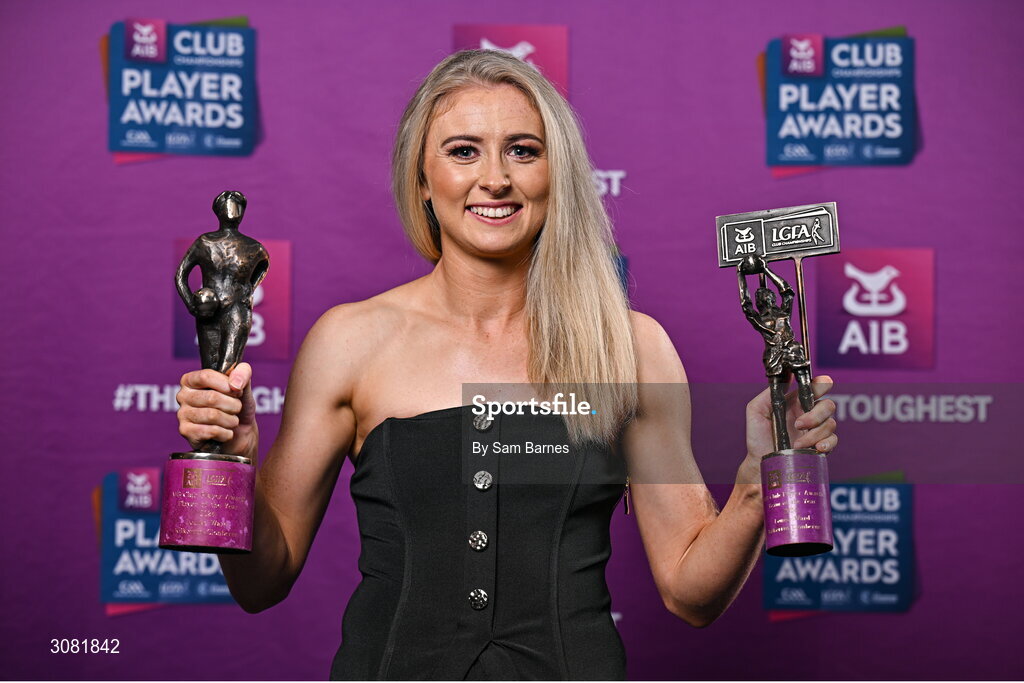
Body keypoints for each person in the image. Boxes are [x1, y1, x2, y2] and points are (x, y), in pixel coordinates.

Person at [175, 50, 838, 680]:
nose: (496, 177)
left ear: (558, 175)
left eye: (523, 150)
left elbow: (693, 592)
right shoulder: (350, 341)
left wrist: (757, 479)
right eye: (464, 152)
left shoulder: (629, 347)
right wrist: (231, 460)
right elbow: (262, 580)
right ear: (423, 181)